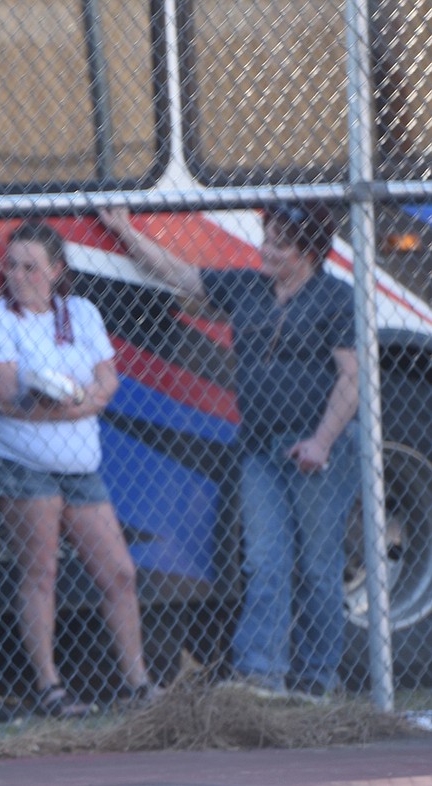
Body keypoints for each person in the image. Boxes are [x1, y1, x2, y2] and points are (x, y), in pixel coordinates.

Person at [98, 203, 359, 701]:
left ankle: (315, 679)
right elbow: (181, 273)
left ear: (307, 252)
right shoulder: (249, 288)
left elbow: (351, 377)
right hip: (260, 449)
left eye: (280, 244)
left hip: (317, 448)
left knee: (318, 565)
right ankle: (261, 674)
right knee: (265, 560)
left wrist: (322, 441)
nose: (266, 250)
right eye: (268, 238)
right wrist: (127, 232)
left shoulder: (334, 299)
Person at [0, 219, 159, 719]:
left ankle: (138, 684)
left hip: (80, 467)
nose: (18, 275)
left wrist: (85, 399)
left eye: (31, 266)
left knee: (119, 572)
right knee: (41, 571)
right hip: (24, 466)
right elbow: (6, 399)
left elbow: (107, 380)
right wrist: (74, 406)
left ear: (57, 270)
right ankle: (50, 688)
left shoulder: (82, 313)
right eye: (11, 265)